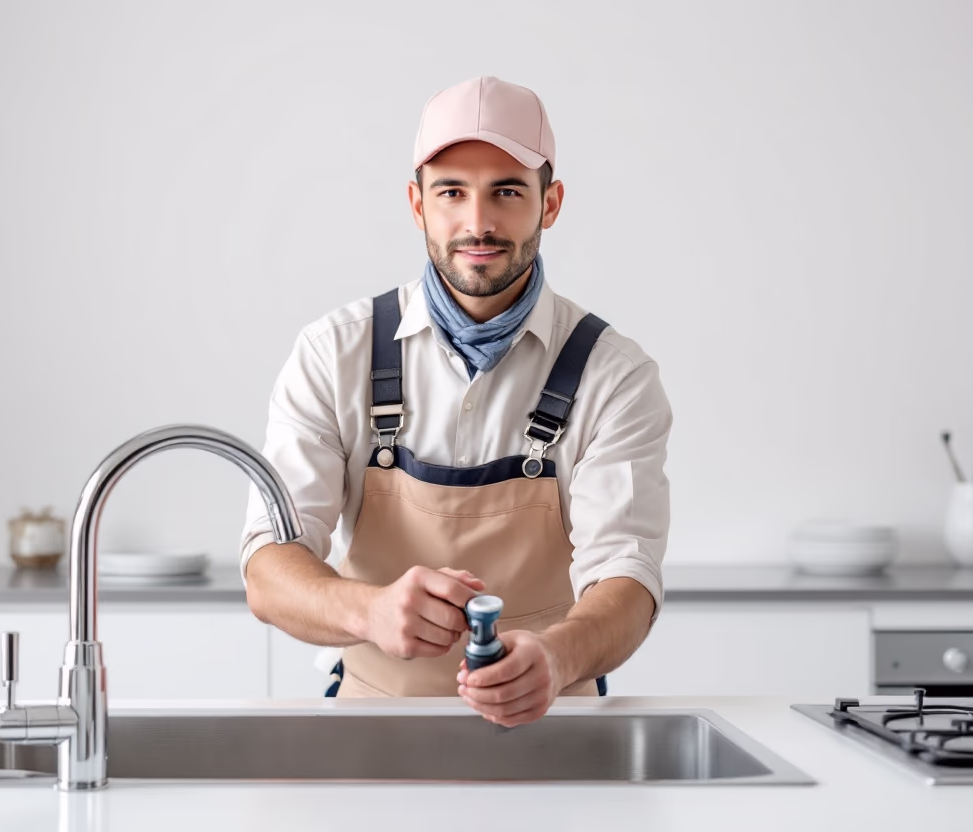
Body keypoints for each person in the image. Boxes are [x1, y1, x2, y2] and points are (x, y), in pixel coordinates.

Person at [240, 75, 672, 728]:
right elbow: (268, 570)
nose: (478, 222)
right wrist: (370, 611)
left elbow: (629, 583)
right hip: (369, 733)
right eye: (451, 192)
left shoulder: (616, 374)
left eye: (506, 190)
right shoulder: (334, 352)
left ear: (549, 204)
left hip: (556, 731)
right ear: (417, 204)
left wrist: (554, 659)